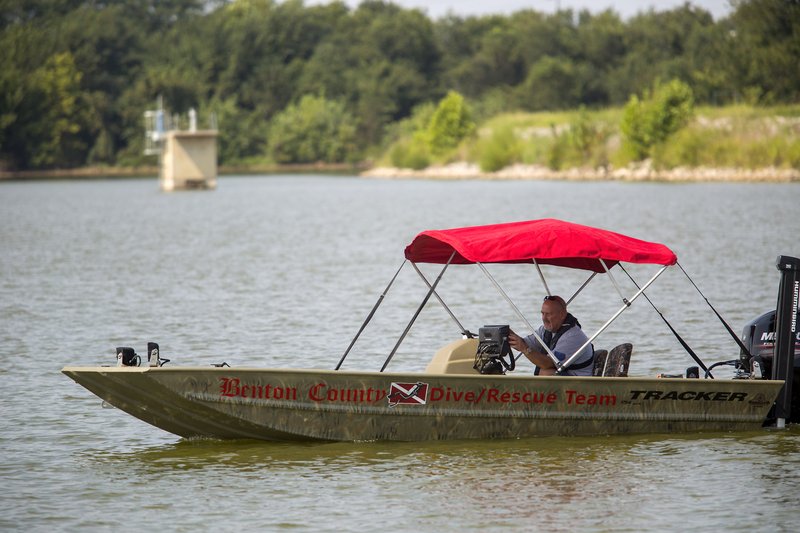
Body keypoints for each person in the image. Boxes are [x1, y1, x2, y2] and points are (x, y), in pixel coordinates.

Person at [508, 295, 594, 376]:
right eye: (542, 313)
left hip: (580, 384)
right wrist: (505, 333)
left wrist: (525, 349)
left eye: (548, 314)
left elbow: (547, 364)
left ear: (562, 315)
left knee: (546, 372)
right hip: (563, 380)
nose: (544, 318)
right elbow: (523, 343)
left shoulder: (572, 336)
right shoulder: (546, 330)